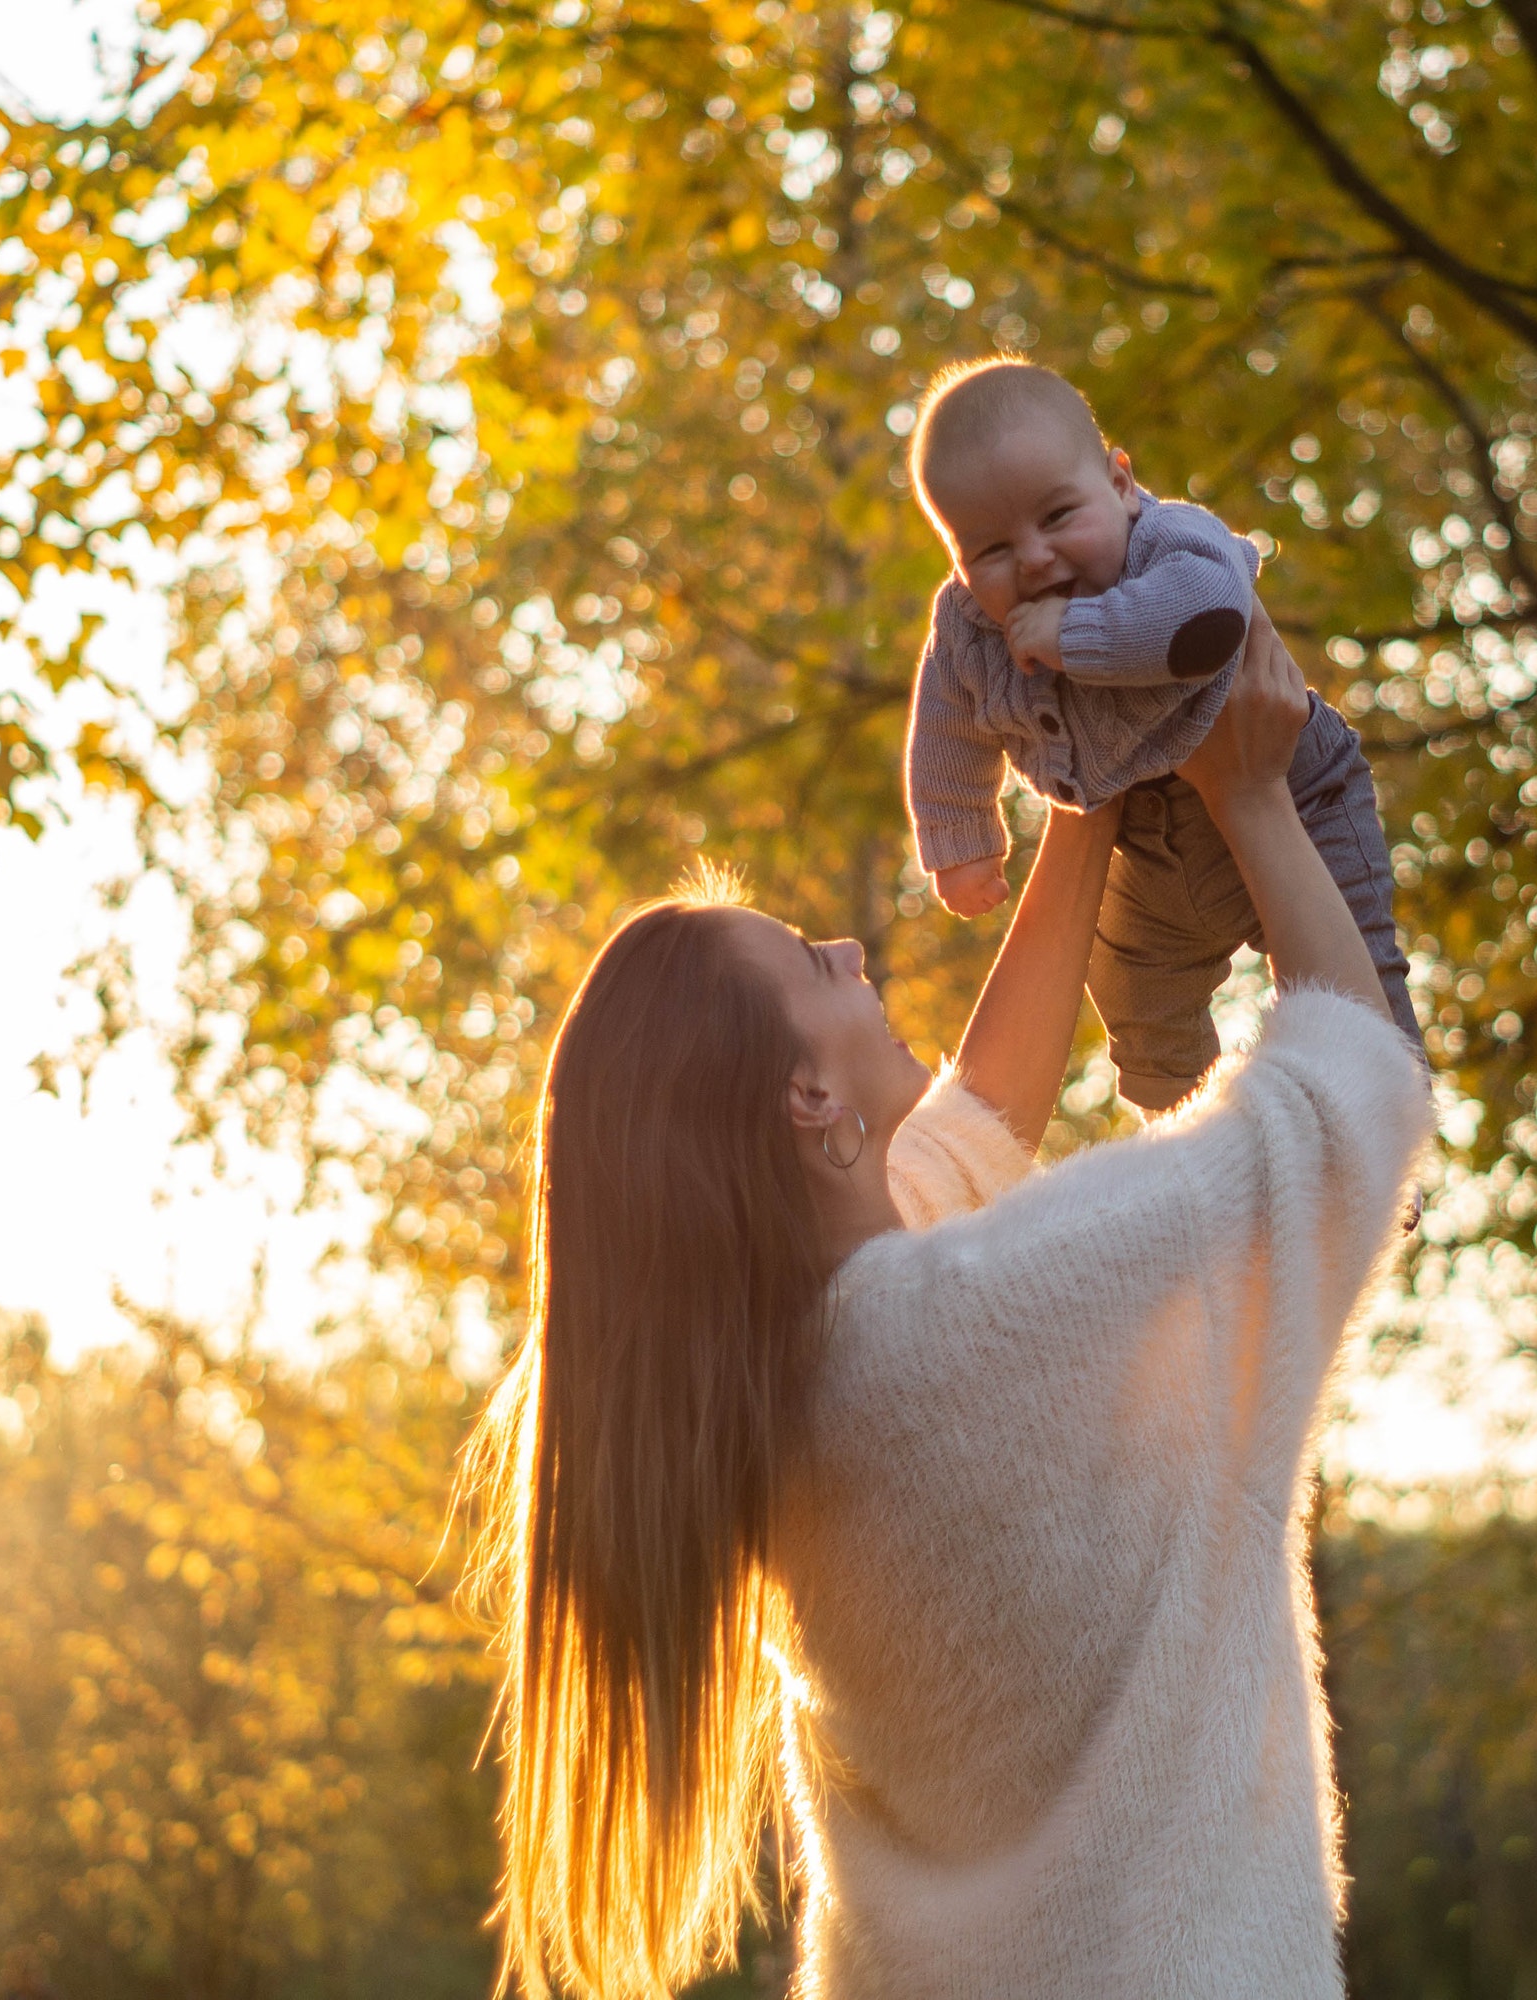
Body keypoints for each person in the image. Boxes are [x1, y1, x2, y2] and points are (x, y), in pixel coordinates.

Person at [465, 608, 1435, 1999]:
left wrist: (1085, 799)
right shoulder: (1015, 1303)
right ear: (810, 1104)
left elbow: (974, 1123)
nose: (852, 954)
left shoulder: (775, 1386)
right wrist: (1252, 795)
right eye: (813, 965)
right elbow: (1351, 1100)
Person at [902, 357, 1423, 1109]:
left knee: (1355, 965)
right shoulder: (965, 624)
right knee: (1135, 1002)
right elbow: (946, 732)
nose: (1035, 558)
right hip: (1140, 843)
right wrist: (959, 839)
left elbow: (1206, 625)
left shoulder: (1172, 540)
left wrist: (1071, 633)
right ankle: (1181, 1155)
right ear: (956, 562)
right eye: (990, 550)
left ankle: (1387, 1143)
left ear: (1119, 483)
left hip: (1298, 789)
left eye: (1056, 517)